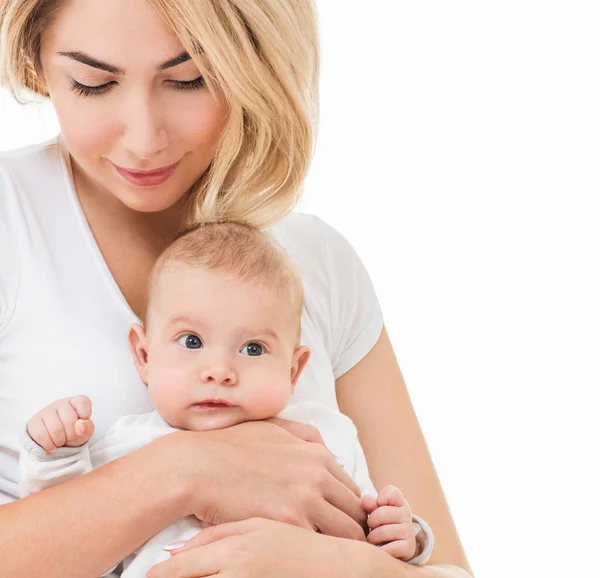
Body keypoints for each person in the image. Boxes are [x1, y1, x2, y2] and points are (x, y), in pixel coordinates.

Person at [0, 0, 473, 576]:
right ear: (35, 64)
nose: (145, 138)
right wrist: (189, 470)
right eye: (94, 83)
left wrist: (331, 566)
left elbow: (444, 566)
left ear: (255, 65)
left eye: (189, 79)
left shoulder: (317, 263)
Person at [19, 221, 435, 576]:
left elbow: (369, 535)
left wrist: (406, 533)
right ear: (144, 355)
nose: (219, 370)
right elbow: (74, 536)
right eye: (192, 341)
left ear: (294, 370)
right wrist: (56, 455)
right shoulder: (133, 443)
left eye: (253, 348)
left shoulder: (324, 436)